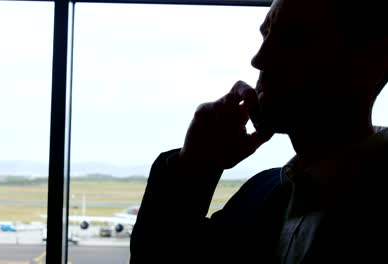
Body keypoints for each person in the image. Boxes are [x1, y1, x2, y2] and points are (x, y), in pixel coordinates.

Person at [130, 0, 388, 263]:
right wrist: (194, 166)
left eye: (293, 39)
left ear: (372, 63)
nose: (259, 58)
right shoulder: (257, 196)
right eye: (266, 34)